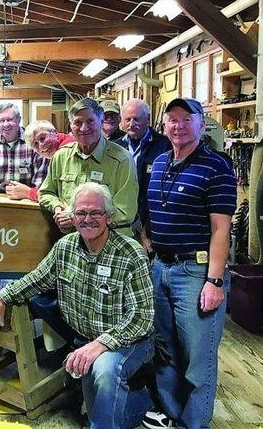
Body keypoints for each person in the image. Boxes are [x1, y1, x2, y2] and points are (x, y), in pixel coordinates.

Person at [0, 182, 155, 429]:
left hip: (128, 341)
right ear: (73, 217)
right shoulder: (65, 247)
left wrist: (98, 346)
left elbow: (142, 317)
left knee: (104, 372)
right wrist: (3, 296)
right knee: (98, 410)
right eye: (81, 213)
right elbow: (37, 278)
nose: (87, 219)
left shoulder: (131, 254)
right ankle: (142, 402)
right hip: (85, 339)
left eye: (95, 213)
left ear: (109, 217)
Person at [143, 98, 236, 429]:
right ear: (164, 125)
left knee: (199, 358)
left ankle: (193, 424)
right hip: (161, 267)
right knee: (164, 350)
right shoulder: (159, 162)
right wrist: (149, 248)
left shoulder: (216, 166)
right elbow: (152, 214)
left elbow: (221, 229)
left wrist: (214, 282)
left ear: (201, 124)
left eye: (187, 119)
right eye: (172, 119)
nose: (178, 125)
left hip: (196, 272)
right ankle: (171, 414)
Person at [39, 97, 138, 237]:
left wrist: (76, 219)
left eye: (90, 121)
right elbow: (45, 193)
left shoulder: (122, 159)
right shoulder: (61, 157)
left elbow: (125, 212)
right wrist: (57, 208)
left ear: (101, 122)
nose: (84, 128)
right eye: (78, 122)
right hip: (71, 241)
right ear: (71, 126)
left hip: (110, 241)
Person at [114, 98, 171, 248]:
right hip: (122, 220)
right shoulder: (114, 147)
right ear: (121, 121)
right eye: (127, 119)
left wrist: (146, 229)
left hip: (152, 220)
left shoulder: (165, 145)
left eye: (137, 119)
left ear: (147, 119)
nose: (132, 124)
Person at [0, 103, 48, 198]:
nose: (6, 124)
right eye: (1, 120)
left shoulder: (32, 141)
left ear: (19, 120)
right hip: (0, 198)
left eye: (9, 119)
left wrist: (30, 193)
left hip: (27, 199)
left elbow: (41, 177)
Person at [11, 120, 75, 201]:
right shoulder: (51, 153)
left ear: (54, 132)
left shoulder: (67, 149)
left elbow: (62, 198)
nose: (41, 146)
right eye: (35, 144)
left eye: (42, 138)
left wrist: (28, 193)